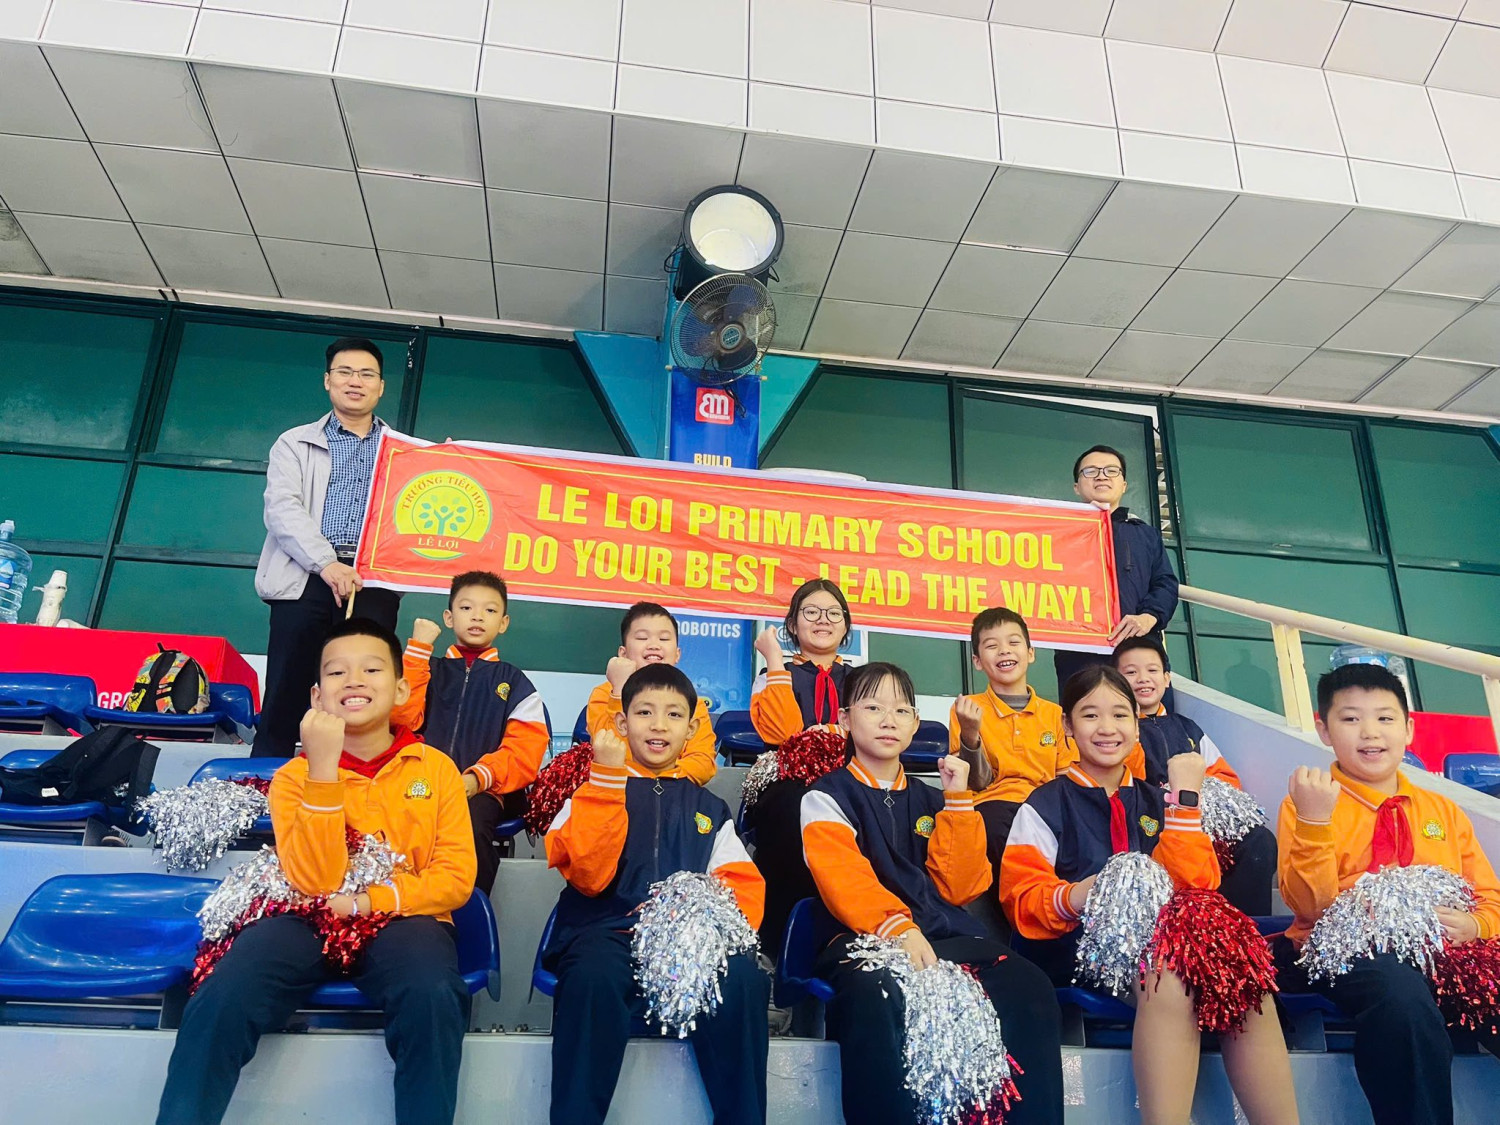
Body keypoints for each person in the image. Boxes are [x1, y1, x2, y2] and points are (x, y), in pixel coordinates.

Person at [156, 619, 475, 1125]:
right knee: (222, 994)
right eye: (336, 672)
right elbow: (318, 880)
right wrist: (323, 770)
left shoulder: (436, 770)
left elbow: (455, 877)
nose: (354, 680)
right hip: (306, 914)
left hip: (407, 918)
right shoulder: (293, 778)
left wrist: (371, 902)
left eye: (372, 669)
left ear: (401, 689)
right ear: (316, 695)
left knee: (433, 995)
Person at [1000, 666, 1296, 1125]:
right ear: (1067, 727)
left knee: (1244, 977)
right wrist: (1082, 895)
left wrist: (1185, 802)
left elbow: (1198, 886)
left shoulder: (1158, 801)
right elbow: (1022, 898)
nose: (1107, 727)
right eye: (1090, 715)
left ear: (1137, 726)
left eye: (1120, 715)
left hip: (1164, 942)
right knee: (1167, 977)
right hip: (1080, 948)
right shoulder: (1044, 804)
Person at [800, 661, 1064, 1125]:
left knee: (1029, 986)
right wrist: (896, 927)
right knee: (877, 993)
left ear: (916, 724)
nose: (888, 720)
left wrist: (959, 802)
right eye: (873, 708)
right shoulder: (826, 796)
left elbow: (959, 888)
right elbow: (843, 876)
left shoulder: (931, 798)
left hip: (942, 937)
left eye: (902, 711)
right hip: (863, 941)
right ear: (844, 719)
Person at [1275, 663, 1500, 1125]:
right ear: (1323, 729)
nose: (1370, 732)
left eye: (1385, 717)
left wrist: (1475, 924)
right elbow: (1310, 907)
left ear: (1408, 729)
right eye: (1351, 718)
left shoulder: (1443, 810)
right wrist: (1315, 821)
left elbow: (1489, 897)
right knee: (1402, 1001)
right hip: (1343, 953)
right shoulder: (1308, 802)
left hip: (1443, 954)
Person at [543, 664, 767, 1125]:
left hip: (690, 945)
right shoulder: (589, 790)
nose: (659, 725)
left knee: (743, 978)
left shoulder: (710, 808)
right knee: (592, 976)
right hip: (606, 932)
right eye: (645, 712)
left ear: (692, 730)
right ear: (622, 723)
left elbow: (741, 887)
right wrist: (607, 780)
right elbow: (589, 875)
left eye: (674, 714)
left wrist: (698, 933)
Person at [252, 338, 401, 757]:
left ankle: (359, 779)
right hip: (305, 577)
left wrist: (442, 463)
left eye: (366, 374)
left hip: (372, 582)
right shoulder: (294, 442)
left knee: (365, 690)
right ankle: (264, 782)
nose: (355, 381)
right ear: (327, 380)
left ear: (381, 387)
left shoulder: (403, 450)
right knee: (286, 689)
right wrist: (326, 563)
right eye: (345, 372)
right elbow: (282, 509)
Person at [392, 571, 548, 895]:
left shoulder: (516, 683)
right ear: (449, 617)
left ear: (503, 623)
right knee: (399, 826)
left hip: (483, 791)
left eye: (490, 610)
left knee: (471, 831)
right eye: (466, 608)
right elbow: (400, 719)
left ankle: (466, 914)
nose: (477, 616)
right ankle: (403, 905)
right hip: (420, 782)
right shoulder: (427, 669)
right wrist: (418, 650)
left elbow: (525, 751)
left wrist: (477, 779)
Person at [1114, 636, 1277, 915]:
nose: (1143, 678)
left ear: (1166, 679)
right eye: (1131, 672)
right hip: (1150, 825)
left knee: (1260, 840)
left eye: (1152, 670)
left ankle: (1245, 924)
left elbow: (1226, 779)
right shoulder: (1116, 730)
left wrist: (1198, 799)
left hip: (1199, 823)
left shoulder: (1188, 728)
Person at [746, 578, 853, 953]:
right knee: (794, 805)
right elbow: (781, 733)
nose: (823, 620)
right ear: (792, 624)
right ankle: (779, 949)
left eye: (833, 613)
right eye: (811, 612)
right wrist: (775, 661)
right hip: (787, 782)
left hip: (848, 780)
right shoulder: (771, 676)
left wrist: (830, 733)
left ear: (845, 625)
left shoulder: (862, 680)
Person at [948, 607, 1074, 886]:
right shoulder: (967, 708)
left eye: (1013, 642)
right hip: (993, 805)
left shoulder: (1055, 714)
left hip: (1043, 806)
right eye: (992, 646)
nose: (1004, 650)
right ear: (977, 661)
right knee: (994, 826)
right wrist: (970, 733)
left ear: (1030, 653)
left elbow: (1066, 777)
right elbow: (976, 783)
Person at [1052, 445, 1178, 695]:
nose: (1101, 476)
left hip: (1139, 647)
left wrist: (1149, 616)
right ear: (1076, 487)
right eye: (1091, 471)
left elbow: (1165, 583)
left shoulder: (1145, 534)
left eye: (1111, 470)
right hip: (1080, 652)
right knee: (1084, 712)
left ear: (1124, 485)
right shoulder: (1058, 533)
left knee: (1147, 716)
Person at [583, 601, 716, 784]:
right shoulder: (604, 695)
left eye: (664, 639)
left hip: (674, 791)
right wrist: (619, 692)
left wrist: (658, 781)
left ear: (677, 654)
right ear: (623, 653)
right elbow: (611, 756)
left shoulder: (693, 703)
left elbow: (703, 764)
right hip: (618, 792)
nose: (654, 645)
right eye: (642, 638)